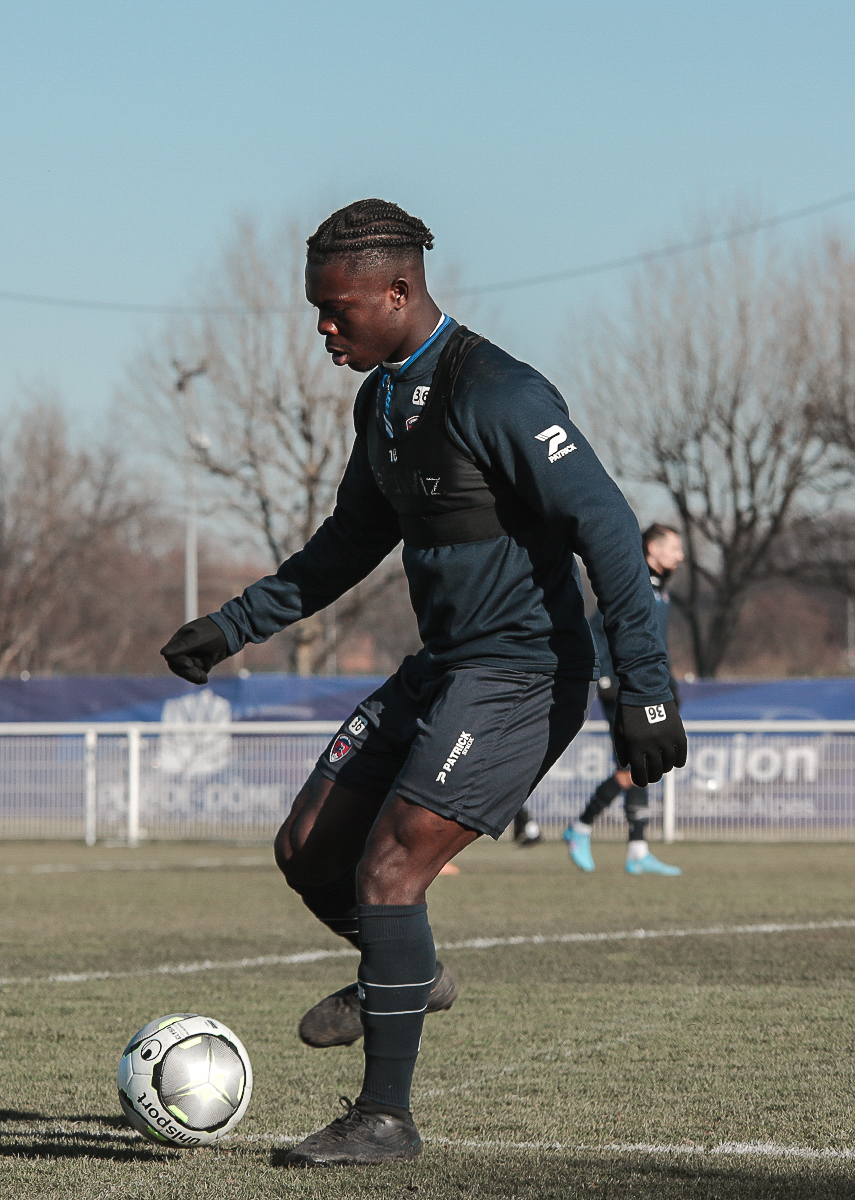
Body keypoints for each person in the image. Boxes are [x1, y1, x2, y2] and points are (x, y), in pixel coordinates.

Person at [159, 201, 685, 1166]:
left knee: (391, 869)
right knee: (307, 849)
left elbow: (610, 528)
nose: (324, 326)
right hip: (441, 668)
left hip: (524, 675)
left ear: (399, 291)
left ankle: (384, 1118)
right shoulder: (381, 404)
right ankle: (412, 972)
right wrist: (231, 626)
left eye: (337, 308)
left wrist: (647, 692)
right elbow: (346, 545)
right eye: (316, 308)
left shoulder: (501, 392)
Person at [556, 524, 685, 875]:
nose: (680, 555)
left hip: (642, 688)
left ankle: (637, 849)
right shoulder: (634, 584)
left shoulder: (660, 591)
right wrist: (605, 677)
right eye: (674, 547)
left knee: (642, 764)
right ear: (653, 550)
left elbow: (655, 645)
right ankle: (581, 827)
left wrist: (668, 684)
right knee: (631, 768)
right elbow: (598, 629)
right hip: (621, 686)